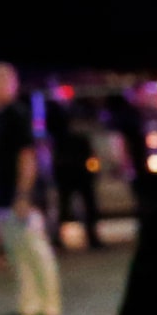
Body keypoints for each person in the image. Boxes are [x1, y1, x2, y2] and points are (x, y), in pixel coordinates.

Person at [0, 62, 60, 315]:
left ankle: (48, 308)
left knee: (35, 251)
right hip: (0, 196)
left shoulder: (17, 115)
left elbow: (28, 156)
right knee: (17, 254)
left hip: (20, 197)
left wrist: (24, 194)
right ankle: (28, 307)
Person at [51, 96, 103, 249]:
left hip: (78, 170)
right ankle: (59, 238)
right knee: (65, 206)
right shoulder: (60, 128)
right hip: (67, 170)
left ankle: (92, 236)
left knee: (86, 205)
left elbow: (89, 152)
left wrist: (92, 168)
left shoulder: (78, 129)